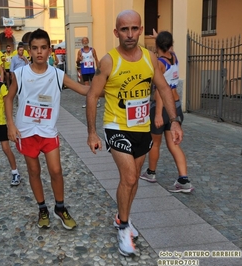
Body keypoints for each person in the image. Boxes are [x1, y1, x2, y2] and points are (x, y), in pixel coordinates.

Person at [85, 10, 183, 256]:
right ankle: (124, 227)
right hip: (117, 126)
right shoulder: (108, 61)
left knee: (135, 177)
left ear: (141, 30)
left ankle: (121, 215)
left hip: (142, 127)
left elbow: (163, 88)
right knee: (129, 177)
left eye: (134, 29)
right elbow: (92, 95)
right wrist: (92, 133)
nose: (130, 34)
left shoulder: (150, 59)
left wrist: (175, 121)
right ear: (116, 32)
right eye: (124, 29)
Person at [5, 28, 90, 230]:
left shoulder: (58, 75)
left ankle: (60, 208)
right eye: (35, 48)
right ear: (29, 51)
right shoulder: (20, 73)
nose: (39, 52)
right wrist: (10, 124)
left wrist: (110, 89)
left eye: (43, 48)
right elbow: (8, 98)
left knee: (56, 170)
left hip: (47, 131)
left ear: (50, 50)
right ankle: (42, 208)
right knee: (34, 171)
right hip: (26, 131)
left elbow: (84, 89)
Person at [140, 31, 194, 193]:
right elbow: (166, 45)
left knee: (155, 143)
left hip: (162, 108)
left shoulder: (159, 63)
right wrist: (160, 39)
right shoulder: (174, 57)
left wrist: (157, 115)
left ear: (157, 46)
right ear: (170, 45)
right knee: (173, 144)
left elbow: (160, 90)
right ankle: (184, 180)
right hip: (176, 106)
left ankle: (151, 173)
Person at [77, 37, 100, 108]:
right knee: (86, 86)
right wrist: (79, 59)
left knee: (94, 85)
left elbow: (96, 59)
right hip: (84, 71)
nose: (85, 42)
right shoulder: (80, 51)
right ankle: (88, 102)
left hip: (92, 70)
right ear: (82, 42)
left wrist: (98, 68)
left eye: (86, 40)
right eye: (83, 41)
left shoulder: (92, 50)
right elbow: (77, 62)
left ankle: (97, 101)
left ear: (88, 41)